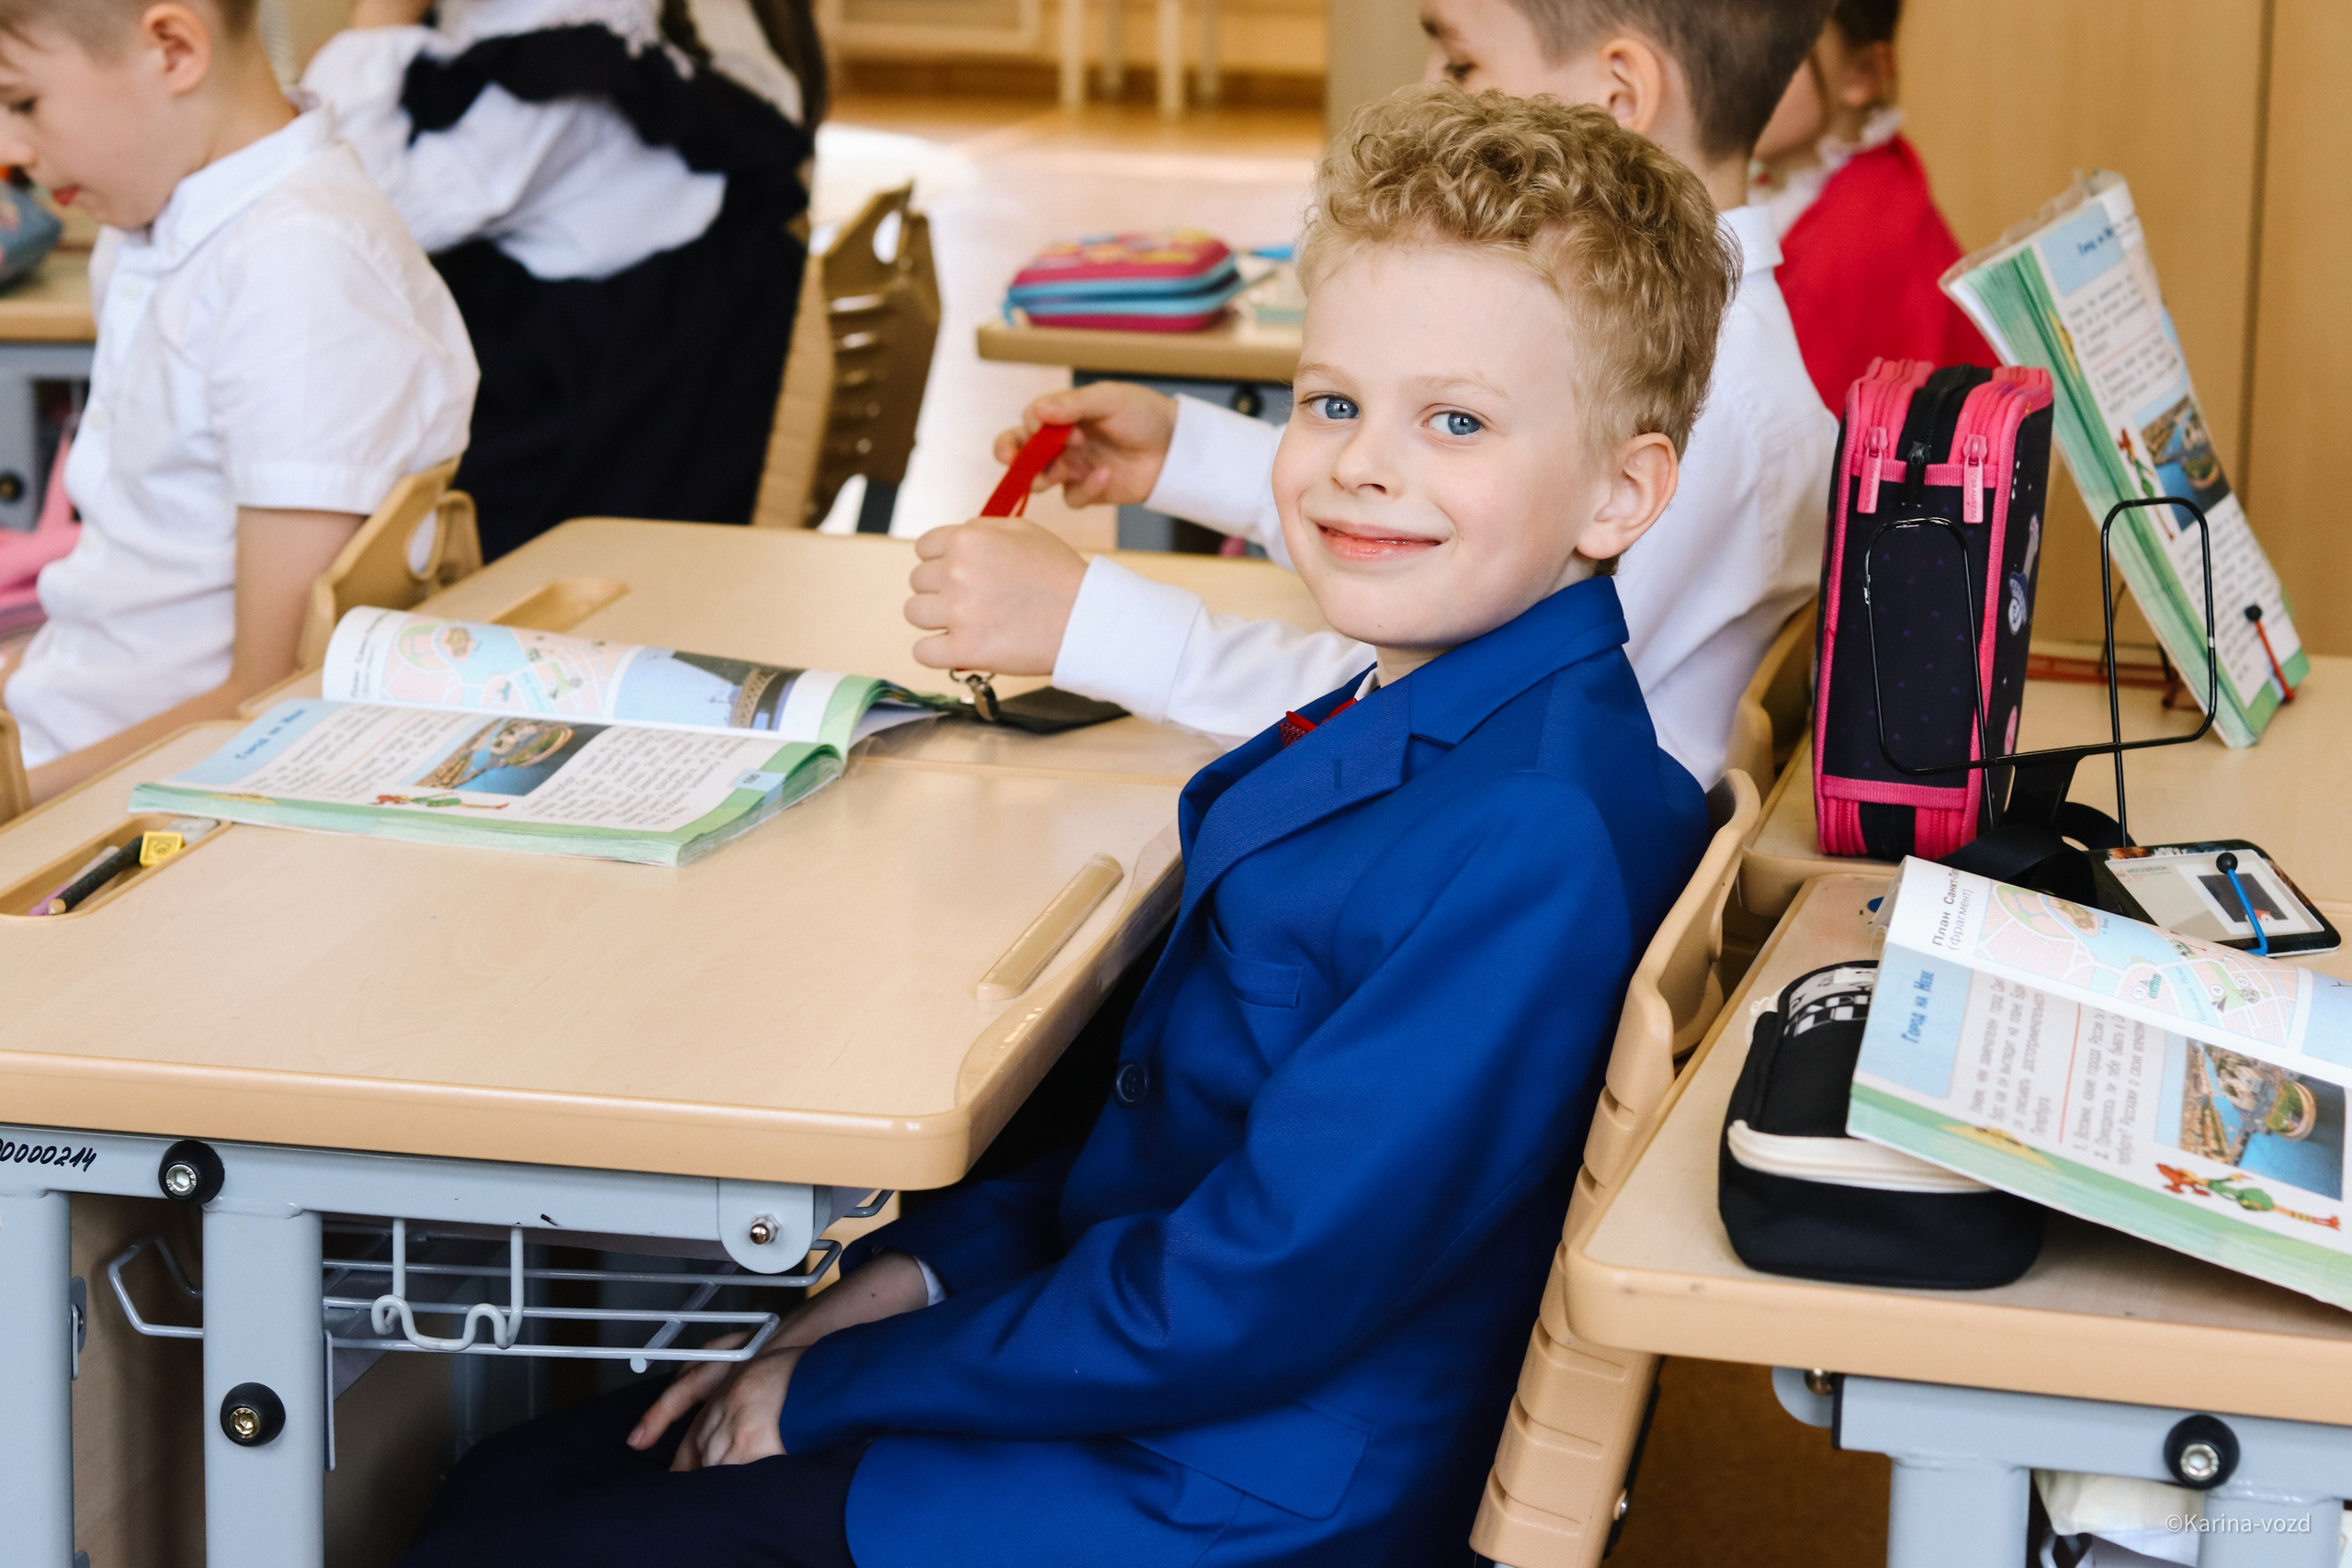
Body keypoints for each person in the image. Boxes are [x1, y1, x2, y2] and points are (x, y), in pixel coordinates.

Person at [398, 85, 1724, 1568]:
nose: (1361, 462)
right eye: (1333, 401)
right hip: (1174, 1382)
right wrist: (907, 1282)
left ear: (1623, 490)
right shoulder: (1459, 714)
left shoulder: (1529, 838)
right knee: (508, 1479)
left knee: (495, 1534)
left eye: (1456, 421)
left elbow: (1239, 1296)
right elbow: (1154, 1158)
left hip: (1223, 1485)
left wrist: (832, 1386)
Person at [905, 0, 1836, 790]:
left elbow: (1432, 715)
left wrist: (1088, 624)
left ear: (1617, 96)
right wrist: (1183, 457)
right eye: (1335, 405)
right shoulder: (1719, 352)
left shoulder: (1706, 402)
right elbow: (1446, 525)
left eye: (1462, 61)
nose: (1430, 87)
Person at [0, 0, 475, 804]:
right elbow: (128, 596)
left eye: (22, 103)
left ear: (174, 49)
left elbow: (274, 694)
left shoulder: (299, 270)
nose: (11, 150)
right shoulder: (158, 214)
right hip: (66, 721)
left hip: (124, 795)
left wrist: (21, 793)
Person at [301, 0, 821, 559]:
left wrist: (377, 26)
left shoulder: (560, 49)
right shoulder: (533, 28)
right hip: (603, 324)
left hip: (608, 382)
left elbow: (361, 218)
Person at [1749, 0, 1993, 410]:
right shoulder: (1847, 184)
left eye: (1774, 49)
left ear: (1862, 74)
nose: (1731, 71)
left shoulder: (1858, 238)